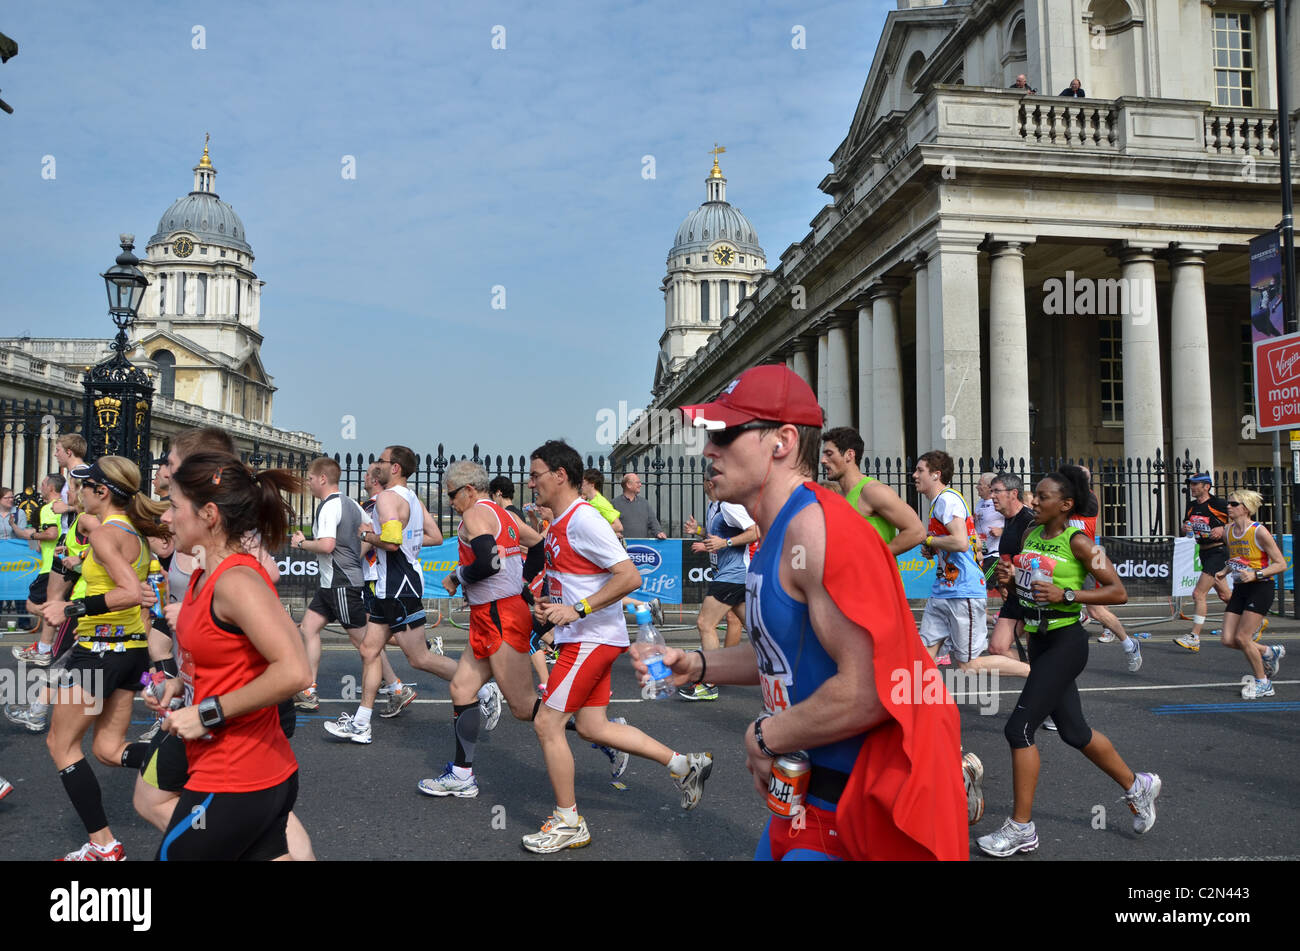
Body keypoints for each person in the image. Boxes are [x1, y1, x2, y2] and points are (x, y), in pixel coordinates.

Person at [637, 364, 966, 861]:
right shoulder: (779, 530)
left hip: (858, 803)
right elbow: (786, 650)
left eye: (726, 434)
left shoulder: (817, 530)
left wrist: (764, 734)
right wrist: (698, 665)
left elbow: (873, 688)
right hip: (804, 795)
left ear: (783, 441)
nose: (709, 450)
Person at [522, 440, 712, 854]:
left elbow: (630, 576)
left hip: (590, 639)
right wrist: (552, 605)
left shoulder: (584, 520)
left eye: (536, 474)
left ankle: (568, 821)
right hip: (587, 636)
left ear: (559, 474)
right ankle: (684, 765)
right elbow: (578, 579)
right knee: (592, 726)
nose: (530, 482)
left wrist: (577, 609)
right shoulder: (560, 522)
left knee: (547, 723)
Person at [980, 466, 1160, 858]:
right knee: (1075, 732)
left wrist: (1068, 594)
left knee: (1019, 730)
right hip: (1039, 641)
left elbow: (1118, 592)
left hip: (1066, 642)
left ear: (1065, 505)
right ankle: (1137, 785)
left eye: (1042, 497)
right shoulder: (1030, 533)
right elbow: (1025, 584)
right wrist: (1011, 577)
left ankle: (1021, 828)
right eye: (1034, 495)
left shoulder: (1079, 542)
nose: (1033, 501)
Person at [148, 451, 312, 860]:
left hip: (236, 777)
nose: (165, 518)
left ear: (208, 514)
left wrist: (204, 713)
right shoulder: (206, 573)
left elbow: (294, 672)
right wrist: (179, 684)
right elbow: (225, 658)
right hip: (241, 771)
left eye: (173, 505)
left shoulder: (237, 580)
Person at [39, 457, 168, 860]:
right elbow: (145, 593)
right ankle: (195, 764)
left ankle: (104, 844)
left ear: (103, 492)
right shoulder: (136, 534)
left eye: (83, 486)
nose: (76, 492)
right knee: (109, 749)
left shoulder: (105, 534)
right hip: (127, 650)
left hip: (99, 655)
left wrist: (71, 610)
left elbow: (130, 591)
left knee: (61, 744)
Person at [325, 445, 495, 744]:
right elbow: (435, 536)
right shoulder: (412, 499)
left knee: (419, 658)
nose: (375, 463)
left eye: (381, 460)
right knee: (369, 649)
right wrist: (409, 546)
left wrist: (366, 535)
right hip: (392, 583)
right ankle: (362, 722)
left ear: (395, 468)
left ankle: (482, 688)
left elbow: (390, 542)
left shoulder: (388, 498)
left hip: (398, 586)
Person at [419, 460, 548, 797]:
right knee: (462, 688)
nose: (449, 502)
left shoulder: (475, 514)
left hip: (498, 617)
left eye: (451, 495)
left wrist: (456, 576)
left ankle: (600, 736)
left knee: (522, 706)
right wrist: (522, 585)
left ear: (469, 490)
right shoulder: (506, 515)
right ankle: (462, 775)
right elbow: (537, 546)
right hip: (494, 613)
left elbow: (489, 564)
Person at [913, 451, 1029, 678]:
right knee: (924, 655)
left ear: (936, 475)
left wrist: (926, 539)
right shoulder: (938, 502)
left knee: (969, 665)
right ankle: (918, 710)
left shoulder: (947, 499)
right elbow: (954, 541)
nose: (914, 475)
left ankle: (1036, 674)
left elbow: (960, 542)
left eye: (920, 470)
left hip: (962, 591)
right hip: (943, 591)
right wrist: (934, 547)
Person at [290, 457, 369, 712]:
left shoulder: (328, 507)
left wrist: (301, 543)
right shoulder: (353, 505)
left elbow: (326, 545)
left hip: (341, 585)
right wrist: (355, 556)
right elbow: (369, 532)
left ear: (322, 479)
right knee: (308, 628)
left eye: (311, 479)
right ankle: (309, 689)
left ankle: (396, 687)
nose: (309, 484)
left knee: (366, 644)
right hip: (331, 585)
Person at [680, 475, 757, 700]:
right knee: (756, 629)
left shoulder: (730, 505)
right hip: (729, 574)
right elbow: (719, 535)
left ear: (710, 483)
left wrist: (725, 543)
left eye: (704, 480)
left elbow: (755, 531)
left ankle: (709, 682)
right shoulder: (714, 505)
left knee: (705, 623)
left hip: (733, 575)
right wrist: (700, 532)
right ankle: (787, 667)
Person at [1215, 490, 1287, 699]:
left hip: (1261, 587)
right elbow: (1239, 558)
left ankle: (1263, 682)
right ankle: (1267, 651)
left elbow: (1281, 564)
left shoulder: (1259, 532)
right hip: (1241, 587)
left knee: (1243, 637)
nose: (1228, 507)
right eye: (1229, 503)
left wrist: (1256, 574)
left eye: (1233, 504)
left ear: (1245, 508)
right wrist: (1225, 570)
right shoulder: (1228, 531)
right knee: (1228, 639)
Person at [819, 427, 925, 554]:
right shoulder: (838, 497)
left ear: (849, 455)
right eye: (823, 454)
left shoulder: (873, 491)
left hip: (878, 574)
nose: (823, 460)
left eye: (829, 454)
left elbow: (917, 532)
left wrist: (874, 557)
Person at [1174, 473, 1236, 652]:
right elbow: (1186, 525)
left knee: (1198, 594)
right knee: (1225, 596)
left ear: (1206, 486)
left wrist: (1222, 527)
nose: (1192, 488)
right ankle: (1255, 618)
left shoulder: (1219, 504)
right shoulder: (1192, 506)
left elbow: (1242, 520)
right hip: (1204, 552)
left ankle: (1194, 637)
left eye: (1196, 484)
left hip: (1218, 551)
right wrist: (1185, 527)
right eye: (1191, 484)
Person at [10, 474, 64, 665]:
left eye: (42, 484)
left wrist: (36, 534)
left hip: (50, 567)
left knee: (33, 605)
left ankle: (69, 620)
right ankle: (44, 649)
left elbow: (52, 533)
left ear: (50, 487)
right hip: (57, 565)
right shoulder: (63, 508)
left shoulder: (49, 508)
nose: (40, 487)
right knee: (51, 605)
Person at [989, 473, 1035, 663]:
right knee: (997, 648)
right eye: (991, 491)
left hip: (1031, 596)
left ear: (1013, 493)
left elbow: (1038, 561)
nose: (992, 496)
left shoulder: (1030, 522)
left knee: (1037, 651)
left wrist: (1016, 575)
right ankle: (1038, 669)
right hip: (1014, 594)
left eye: (997, 491)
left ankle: (1042, 672)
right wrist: (1005, 585)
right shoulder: (1007, 520)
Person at [974, 472, 1005, 584]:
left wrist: (1002, 531)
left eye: (979, 484)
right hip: (981, 553)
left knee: (982, 584)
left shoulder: (1000, 502)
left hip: (995, 554)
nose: (977, 486)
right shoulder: (980, 502)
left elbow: (1017, 520)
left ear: (989, 487)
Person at [616, 473, 666, 539]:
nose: (640, 485)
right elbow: (608, 525)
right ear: (628, 485)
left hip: (642, 546)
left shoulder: (644, 503)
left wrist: (658, 532)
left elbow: (653, 522)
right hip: (621, 546)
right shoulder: (614, 504)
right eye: (637, 482)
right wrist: (615, 532)